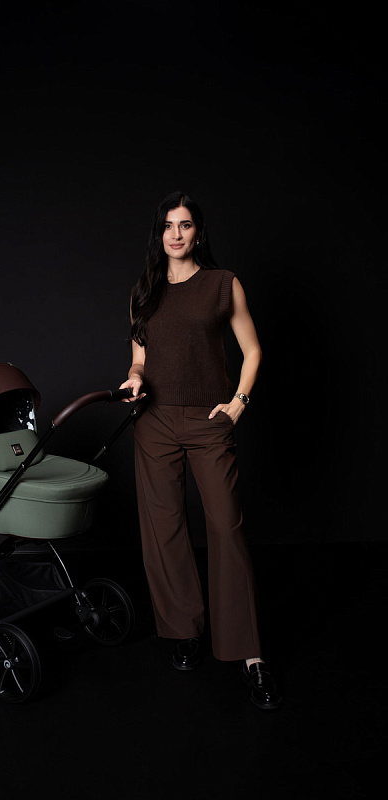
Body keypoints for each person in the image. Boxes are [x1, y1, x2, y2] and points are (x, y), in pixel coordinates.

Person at [119, 191, 282, 710]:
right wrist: (134, 377)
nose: (176, 234)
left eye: (185, 225)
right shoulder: (143, 290)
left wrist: (238, 403)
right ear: (159, 233)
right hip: (155, 421)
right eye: (168, 225)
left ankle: (248, 652)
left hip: (209, 421)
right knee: (164, 529)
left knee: (225, 527)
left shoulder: (222, 284)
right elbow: (140, 356)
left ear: (197, 232)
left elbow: (252, 349)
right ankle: (183, 629)